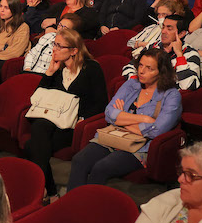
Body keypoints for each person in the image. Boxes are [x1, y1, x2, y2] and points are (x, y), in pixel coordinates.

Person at [68, 49, 182, 188]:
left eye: (149, 68)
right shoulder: (131, 85)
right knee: (79, 161)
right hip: (113, 136)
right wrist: (145, 119)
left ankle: (92, 207)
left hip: (139, 147)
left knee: (101, 168)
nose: (141, 71)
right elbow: (109, 113)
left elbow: (157, 130)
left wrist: (122, 119)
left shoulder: (171, 96)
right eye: (140, 65)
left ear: (161, 72)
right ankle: (73, 205)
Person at [23, 27, 107, 197]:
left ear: (74, 50)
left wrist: (84, 121)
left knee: (32, 145)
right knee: (39, 127)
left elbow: (100, 103)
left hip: (76, 124)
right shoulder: (58, 68)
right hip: (54, 119)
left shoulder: (91, 68)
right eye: (55, 44)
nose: (54, 49)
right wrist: (49, 72)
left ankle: (45, 192)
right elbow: (38, 97)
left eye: (60, 46)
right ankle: (46, 192)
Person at [122, 13, 202, 91]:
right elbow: (129, 67)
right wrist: (134, 81)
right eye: (163, 27)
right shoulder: (153, 46)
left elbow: (189, 86)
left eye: (169, 28)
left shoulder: (190, 54)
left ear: (181, 34)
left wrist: (179, 56)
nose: (163, 31)